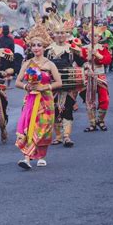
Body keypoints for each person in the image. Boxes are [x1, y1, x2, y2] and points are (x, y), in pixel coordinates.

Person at [15, 20, 62, 170]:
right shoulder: (27, 63)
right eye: (33, 45)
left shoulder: (50, 64)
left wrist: (45, 87)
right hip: (31, 99)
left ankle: (41, 155)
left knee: (44, 128)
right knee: (29, 128)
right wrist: (26, 86)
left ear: (44, 47)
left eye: (39, 45)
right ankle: (27, 158)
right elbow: (17, 82)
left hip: (46, 100)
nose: (36, 48)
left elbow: (59, 83)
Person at [44, 14, 84, 147]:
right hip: (52, 85)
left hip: (68, 84)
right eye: (57, 33)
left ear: (67, 34)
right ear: (53, 34)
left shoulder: (72, 49)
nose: (60, 35)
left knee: (67, 109)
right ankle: (59, 136)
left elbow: (82, 63)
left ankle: (67, 136)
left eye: (62, 32)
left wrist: (88, 66)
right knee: (54, 110)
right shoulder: (47, 51)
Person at [81, 25, 112, 132]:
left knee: (105, 99)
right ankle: (92, 122)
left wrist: (98, 55)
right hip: (89, 75)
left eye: (96, 36)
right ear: (88, 36)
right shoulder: (84, 48)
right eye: (92, 35)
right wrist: (89, 57)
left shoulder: (103, 48)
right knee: (90, 99)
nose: (94, 37)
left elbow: (108, 60)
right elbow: (81, 60)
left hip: (100, 75)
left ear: (99, 37)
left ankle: (100, 120)